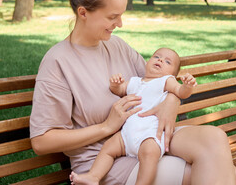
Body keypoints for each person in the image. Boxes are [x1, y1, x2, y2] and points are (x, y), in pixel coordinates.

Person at [30, 0, 236, 185]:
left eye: (121, 14)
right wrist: (106, 127)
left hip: (148, 136)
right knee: (228, 177)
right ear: (83, 13)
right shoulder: (58, 62)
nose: (120, 23)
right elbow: (42, 142)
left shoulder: (118, 46)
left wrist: (172, 101)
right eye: (112, 17)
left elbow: (156, 82)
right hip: (106, 159)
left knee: (216, 138)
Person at [70, 48, 197, 185]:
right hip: (126, 134)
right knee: (107, 148)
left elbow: (180, 92)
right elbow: (119, 90)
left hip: (150, 133)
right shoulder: (135, 82)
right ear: (147, 62)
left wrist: (187, 86)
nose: (160, 60)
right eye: (156, 56)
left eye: (167, 61)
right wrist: (116, 84)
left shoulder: (166, 81)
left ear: (173, 74)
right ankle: (93, 176)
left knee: (149, 155)